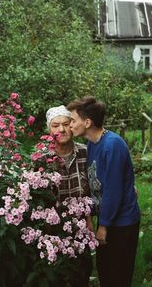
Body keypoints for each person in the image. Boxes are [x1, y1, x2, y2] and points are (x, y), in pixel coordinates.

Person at [67, 97, 141, 287]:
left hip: (122, 222)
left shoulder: (112, 145)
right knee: (105, 270)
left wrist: (103, 226)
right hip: (109, 217)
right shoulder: (93, 143)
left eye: (73, 120)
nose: (70, 125)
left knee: (118, 275)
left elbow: (113, 192)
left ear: (87, 122)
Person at [46, 105, 93, 287]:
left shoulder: (85, 153)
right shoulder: (41, 157)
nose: (62, 130)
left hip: (80, 225)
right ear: (49, 129)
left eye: (66, 124)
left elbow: (97, 184)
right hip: (51, 230)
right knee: (54, 276)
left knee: (82, 272)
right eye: (55, 125)